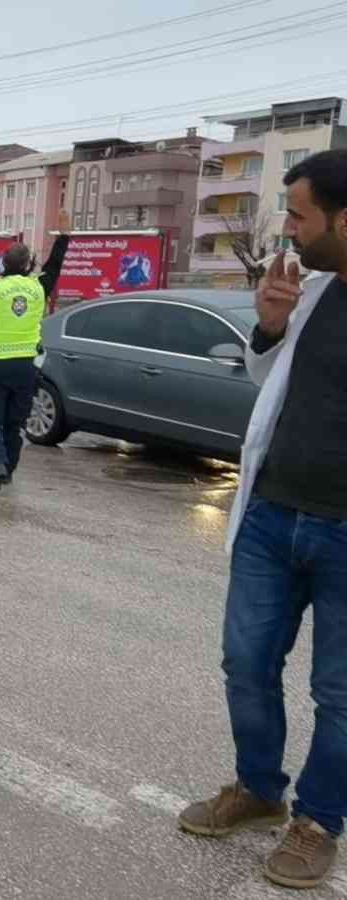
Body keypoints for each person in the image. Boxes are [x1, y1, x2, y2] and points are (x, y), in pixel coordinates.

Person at [177, 149, 347, 891]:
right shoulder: (316, 293)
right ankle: (257, 790)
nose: (290, 231)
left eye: (301, 215)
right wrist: (272, 327)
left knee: (340, 694)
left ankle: (319, 821)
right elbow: (265, 382)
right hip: (273, 519)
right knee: (247, 665)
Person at [0, 225, 71, 494]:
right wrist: (63, 236)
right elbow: (55, 264)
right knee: (16, 422)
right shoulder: (38, 285)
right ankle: (7, 470)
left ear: (3, 263)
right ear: (29, 264)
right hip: (27, 367)